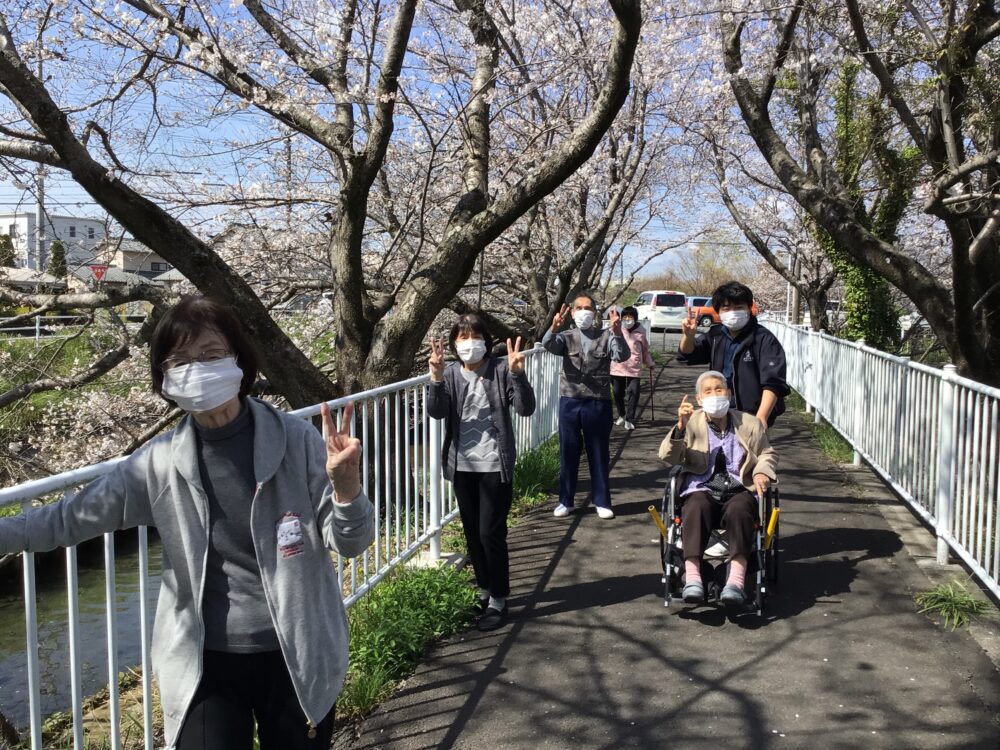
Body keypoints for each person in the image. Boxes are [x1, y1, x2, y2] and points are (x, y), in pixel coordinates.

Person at [0, 296, 375, 750]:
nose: (197, 370)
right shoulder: (156, 465)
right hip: (205, 660)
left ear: (240, 361)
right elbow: (68, 519)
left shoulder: (297, 441)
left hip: (297, 654)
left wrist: (347, 490)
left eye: (212, 355)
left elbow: (351, 543)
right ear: (165, 379)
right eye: (179, 361)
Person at [427, 314, 536, 631]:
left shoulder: (501, 370)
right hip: (462, 465)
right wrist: (435, 379)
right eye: (461, 337)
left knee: (491, 533)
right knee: (473, 533)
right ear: (453, 343)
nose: (468, 343)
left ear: (487, 342)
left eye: (474, 336)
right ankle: (484, 589)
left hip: (494, 465)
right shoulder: (449, 373)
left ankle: (500, 600)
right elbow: (436, 412)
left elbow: (525, 408)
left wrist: (518, 375)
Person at [658, 370, 777, 607]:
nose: (715, 395)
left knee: (741, 509)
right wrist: (680, 428)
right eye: (708, 391)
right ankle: (692, 578)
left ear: (729, 394)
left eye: (719, 389)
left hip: (739, 488)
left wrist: (762, 471)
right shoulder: (691, 422)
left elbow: (767, 453)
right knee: (696, 506)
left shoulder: (749, 423)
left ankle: (735, 581)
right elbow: (668, 457)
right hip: (701, 488)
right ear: (699, 399)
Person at [543, 292, 630, 519]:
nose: (583, 312)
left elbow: (622, 356)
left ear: (595, 312)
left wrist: (618, 333)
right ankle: (566, 500)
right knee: (568, 451)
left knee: (598, 452)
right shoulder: (566, 336)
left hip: (598, 401)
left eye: (588, 308)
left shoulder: (606, 335)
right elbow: (548, 345)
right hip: (570, 400)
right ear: (572, 313)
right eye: (579, 308)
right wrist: (553, 328)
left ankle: (601, 501)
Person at [678, 281, 788, 428]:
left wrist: (761, 417)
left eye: (739, 308)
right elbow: (688, 354)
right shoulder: (716, 335)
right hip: (719, 411)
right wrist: (688, 336)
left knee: (750, 451)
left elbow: (773, 383)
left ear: (749, 308)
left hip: (751, 415)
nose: (733, 312)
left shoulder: (763, 339)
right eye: (726, 308)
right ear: (718, 312)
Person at [610, 305, 655, 430]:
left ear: (635, 318)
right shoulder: (616, 329)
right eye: (625, 317)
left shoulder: (641, 332)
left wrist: (649, 363)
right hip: (617, 367)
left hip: (634, 367)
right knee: (617, 393)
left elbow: (645, 350)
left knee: (633, 393)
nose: (627, 319)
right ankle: (622, 415)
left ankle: (630, 419)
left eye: (630, 317)